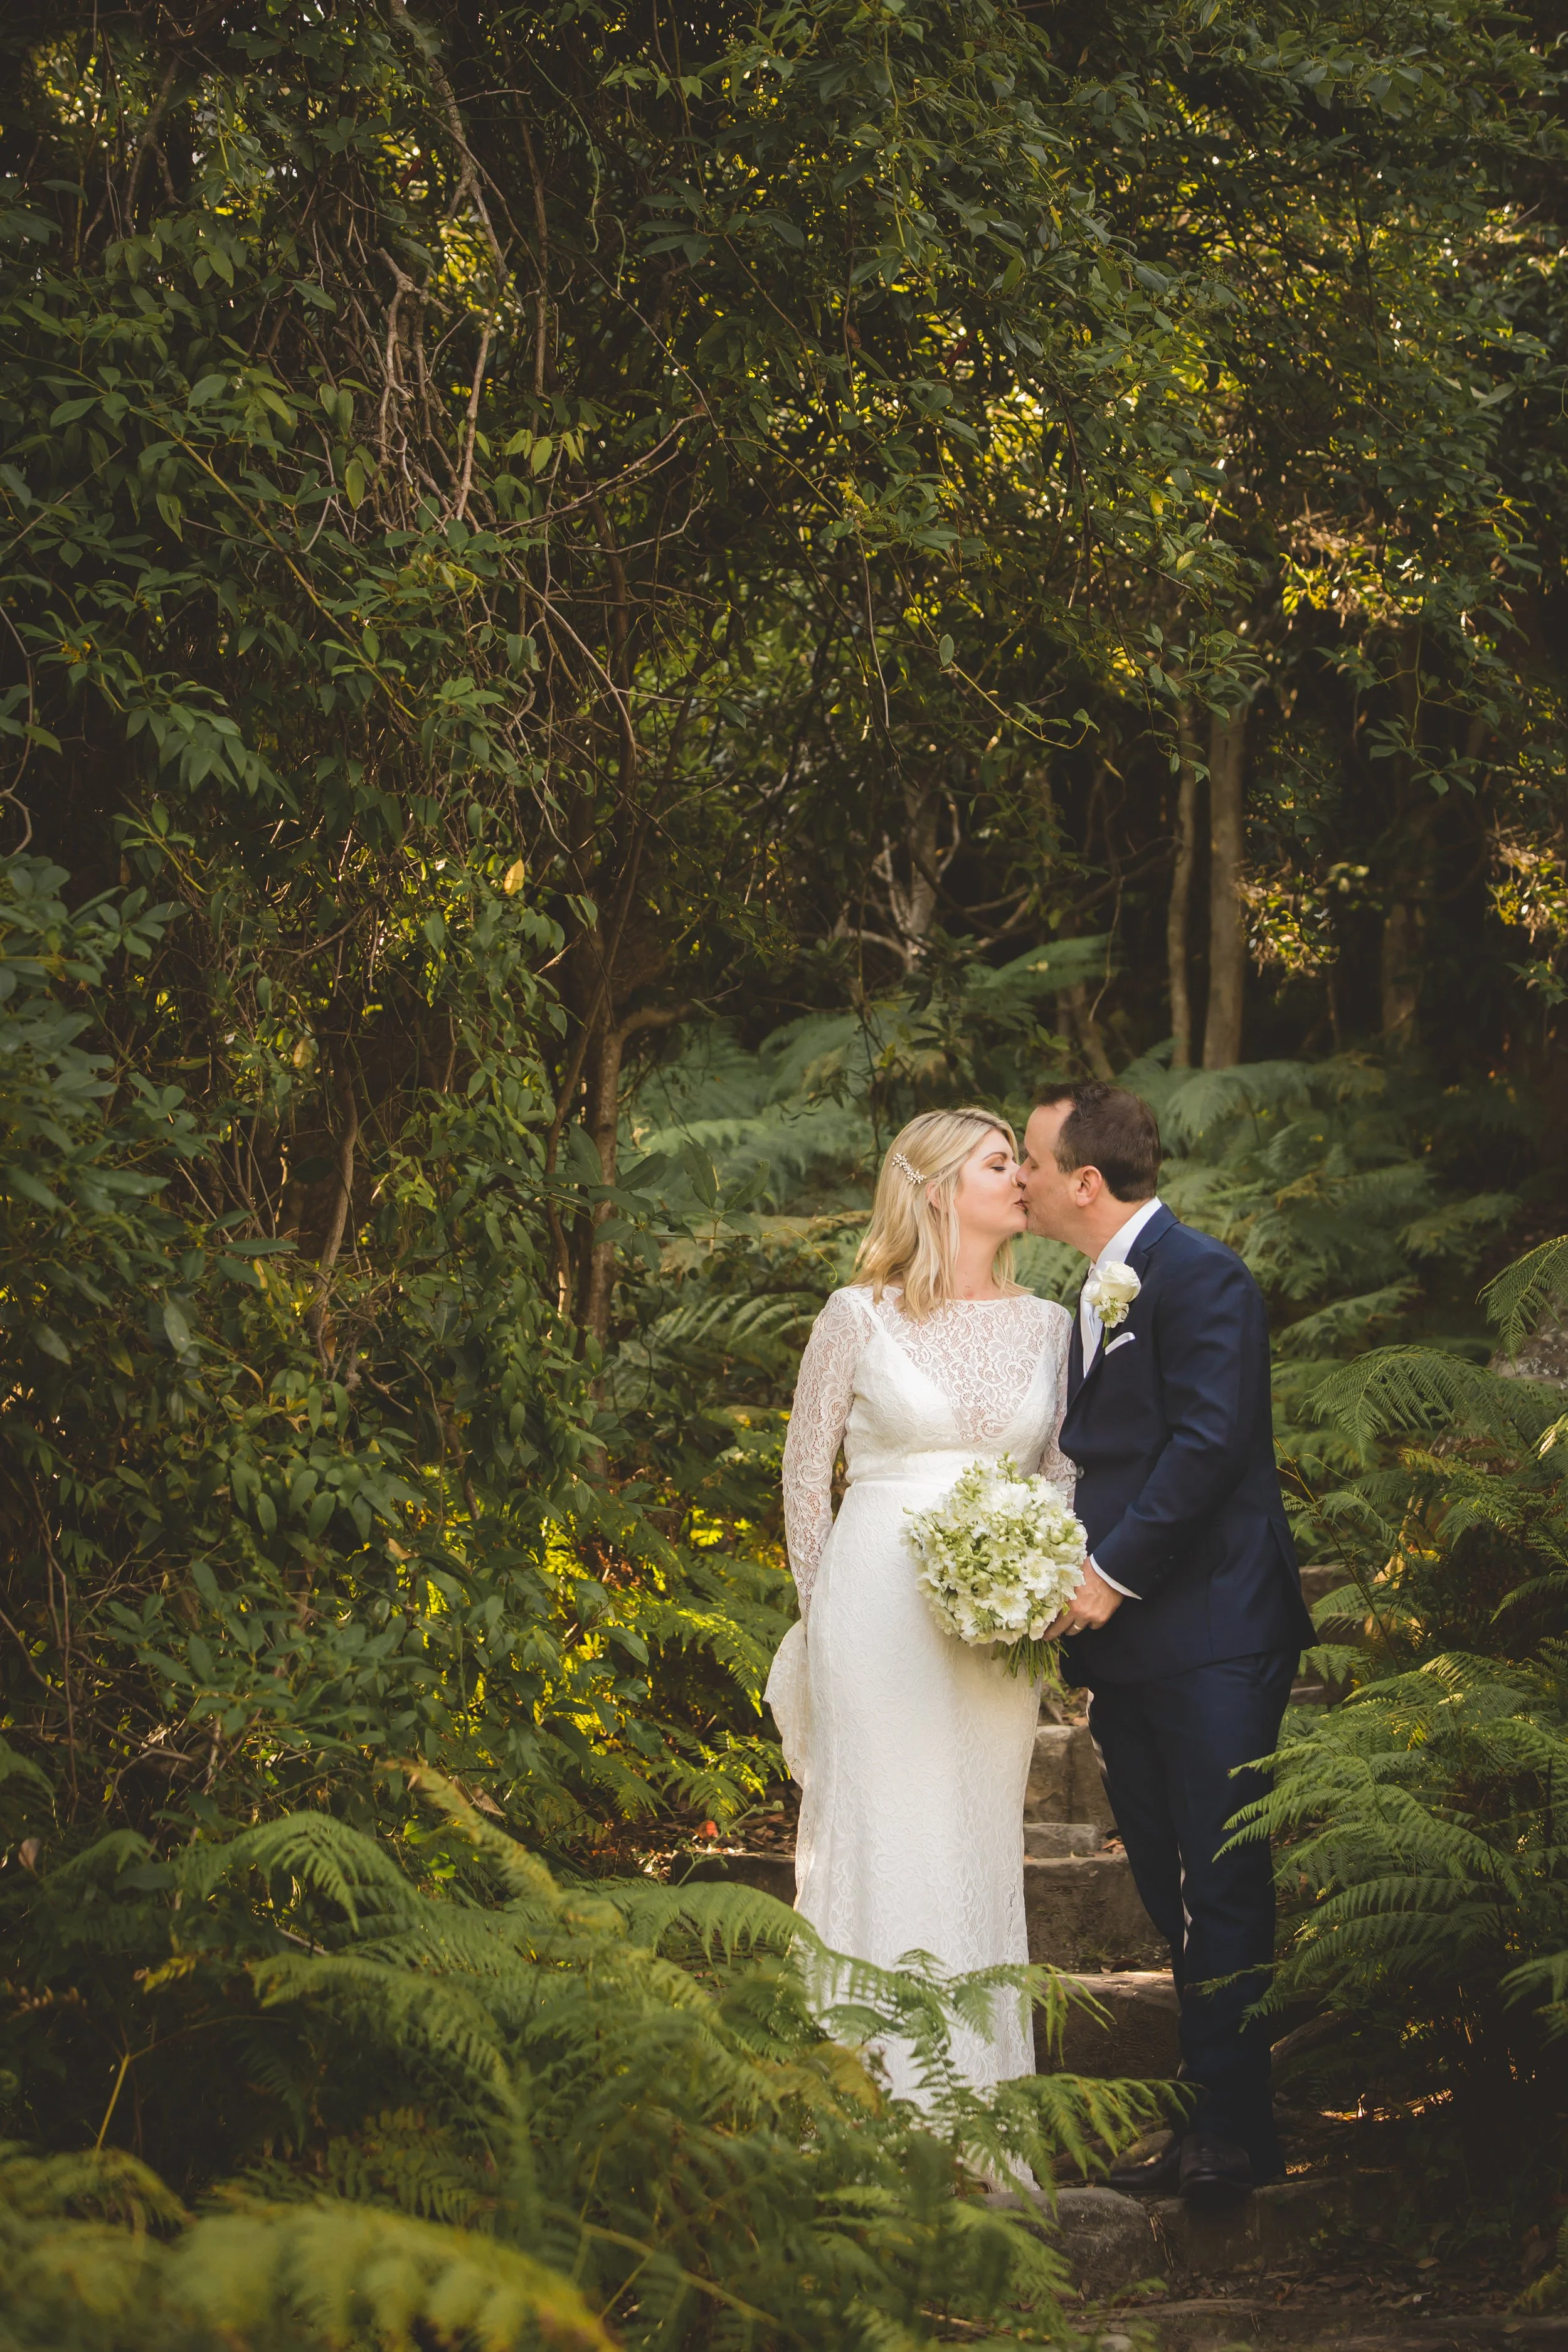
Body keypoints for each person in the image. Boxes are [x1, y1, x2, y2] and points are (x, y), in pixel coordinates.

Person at [1019, 1080, 1315, 2205]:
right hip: (1132, 1646)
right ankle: (1217, 2110)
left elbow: (1208, 1442)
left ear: (1087, 1180)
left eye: (1036, 1162)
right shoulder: (1091, 1294)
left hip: (1219, 1629)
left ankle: (1232, 2133)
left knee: (1222, 1875)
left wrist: (1103, 1574)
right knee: (1165, 1877)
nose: (1026, 1177)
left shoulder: (1207, 1278)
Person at [767, 1106, 1074, 2103]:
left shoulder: (1053, 1324)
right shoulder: (855, 1314)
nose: (1021, 1178)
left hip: (996, 1630)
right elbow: (805, 1477)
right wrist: (821, 1626)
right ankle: (866, 2104)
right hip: (874, 1613)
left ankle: (975, 2108)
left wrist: (1038, 1575)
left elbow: (1064, 1473)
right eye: (999, 1163)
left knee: (973, 1846)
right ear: (938, 1188)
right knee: (881, 1834)